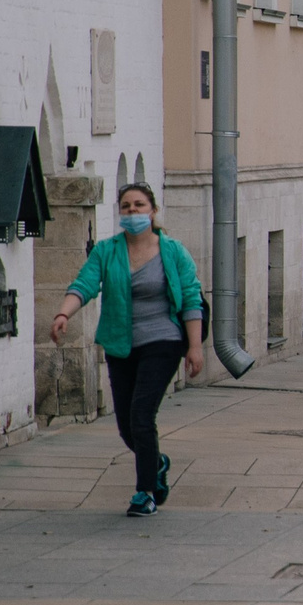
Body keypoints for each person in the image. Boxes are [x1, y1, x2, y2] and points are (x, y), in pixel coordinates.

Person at [49, 182, 206, 516]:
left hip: (163, 340)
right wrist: (64, 313)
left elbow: (192, 298)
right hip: (121, 343)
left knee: (141, 414)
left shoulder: (173, 251)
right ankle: (156, 463)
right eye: (126, 206)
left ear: (153, 211)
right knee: (125, 424)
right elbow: (84, 284)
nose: (133, 212)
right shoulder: (107, 251)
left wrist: (195, 347)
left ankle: (144, 492)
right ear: (120, 213)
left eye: (139, 205)